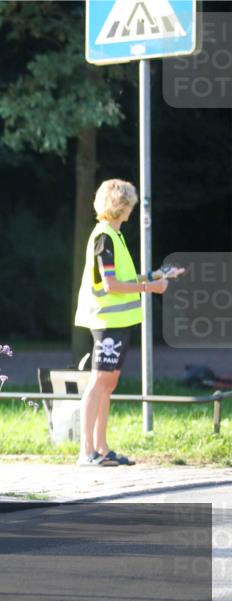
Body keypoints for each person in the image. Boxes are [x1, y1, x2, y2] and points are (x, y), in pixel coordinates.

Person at [73, 179, 184, 466]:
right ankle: (87, 452)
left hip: (118, 321)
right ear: (122, 206)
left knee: (107, 385)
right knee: (99, 383)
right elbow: (111, 285)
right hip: (107, 321)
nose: (132, 209)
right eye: (130, 203)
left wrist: (157, 274)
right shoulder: (104, 237)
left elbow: (123, 279)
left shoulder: (114, 236)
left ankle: (102, 448)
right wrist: (152, 288)